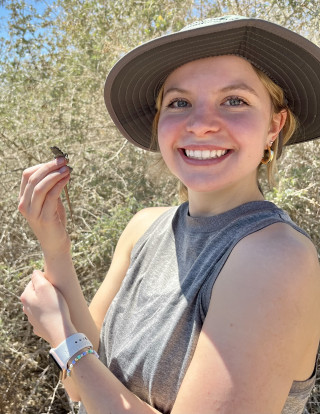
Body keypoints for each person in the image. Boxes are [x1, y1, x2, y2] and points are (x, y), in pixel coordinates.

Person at [18, 15, 320, 414]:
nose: (201, 124)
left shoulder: (276, 258)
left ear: (273, 127)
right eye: (179, 102)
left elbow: (77, 359)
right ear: (160, 121)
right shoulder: (144, 227)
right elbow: (81, 387)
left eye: (235, 100)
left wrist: (62, 336)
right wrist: (55, 247)